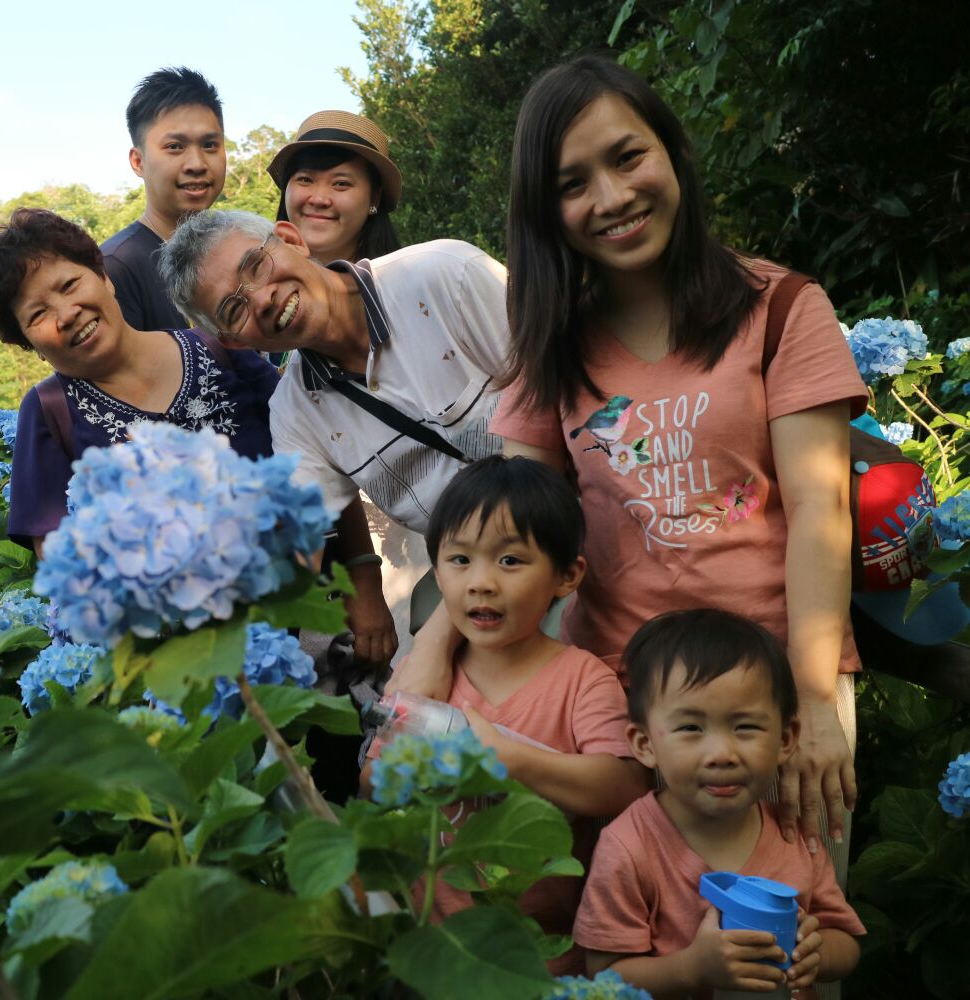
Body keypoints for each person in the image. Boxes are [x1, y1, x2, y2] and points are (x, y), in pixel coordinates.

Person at [402, 55, 866, 871]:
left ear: (672, 151)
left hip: (767, 697)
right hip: (613, 711)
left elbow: (821, 514)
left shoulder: (782, 308)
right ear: (546, 212)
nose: (611, 199)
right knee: (629, 951)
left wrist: (816, 703)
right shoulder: (554, 347)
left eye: (627, 157)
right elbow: (509, 522)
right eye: (572, 183)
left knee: (786, 953)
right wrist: (431, 645)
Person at [158, 211, 509, 662]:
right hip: (477, 576)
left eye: (256, 265)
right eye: (234, 309)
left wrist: (439, 639)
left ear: (290, 239)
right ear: (233, 342)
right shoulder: (294, 414)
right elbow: (299, 550)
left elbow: (563, 405)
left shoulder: (444, 274)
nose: (262, 300)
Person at [363, 456, 648, 973]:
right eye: (459, 560)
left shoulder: (583, 680)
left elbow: (626, 786)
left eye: (510, 561)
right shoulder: (424, 674)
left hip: (541, 956)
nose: (481, 583)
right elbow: (370, 788)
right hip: (432, 947)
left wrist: (508, 759)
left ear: (567, 577)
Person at [576, 609, 864, 997]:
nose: (722, 753)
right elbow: (603, 975)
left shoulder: (791, 833)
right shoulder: (629, 846)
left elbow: (845, 941)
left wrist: (820, 952)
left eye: (745, 727)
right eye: (691, 728)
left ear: (785, 739)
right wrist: (692, 969)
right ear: (645, 744)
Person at [0, 208, 278, 553]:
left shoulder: (219, 348)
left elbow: (310, 452)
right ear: (30, 344)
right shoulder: (48, 412)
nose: (68, 314)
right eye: (38, 314)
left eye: (70, 285)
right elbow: (61, 562)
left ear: (104, 278)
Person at [101, 67, 226, 332]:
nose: (197, 163)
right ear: (138, 161)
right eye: (175, 147)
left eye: (210, 146)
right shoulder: (117, 268)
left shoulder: (233, 249)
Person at [269, 109, 403, 267]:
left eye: (341, 183)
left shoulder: (403, 286)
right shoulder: (250, 281)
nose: (319, 199)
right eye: (305, 179)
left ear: (374, 198)